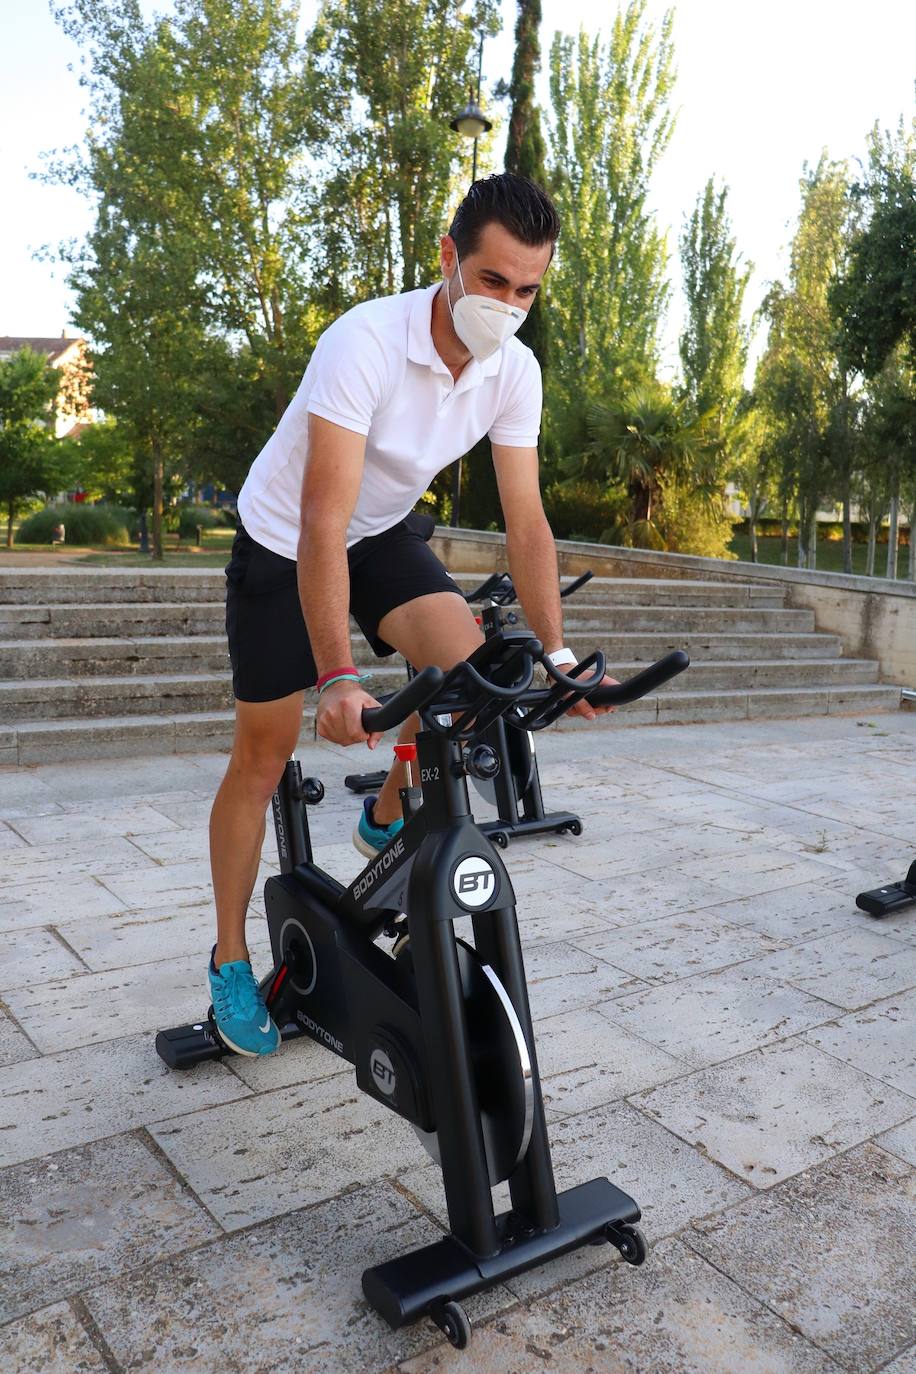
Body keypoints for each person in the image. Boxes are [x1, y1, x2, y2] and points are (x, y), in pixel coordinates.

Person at [206, 172, 616, 1058]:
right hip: (285, 540)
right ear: (448, 257)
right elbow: (321, 520)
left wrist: (557, 656)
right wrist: (338, 676)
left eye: (528, 289)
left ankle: (385, 816)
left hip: (381, 532)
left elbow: (527, 520)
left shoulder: (514, 371)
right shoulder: (365, 342)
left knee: (475, 671)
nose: (508, 305)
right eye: (494, 279)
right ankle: (229, 959)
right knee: (262, 756)